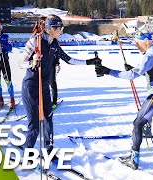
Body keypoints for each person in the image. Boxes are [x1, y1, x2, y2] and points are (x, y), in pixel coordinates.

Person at [20, 14, 101, 155]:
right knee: (34, 124)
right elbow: (21, 63)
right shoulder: (35, 41)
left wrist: (90, 61)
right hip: (31, 86)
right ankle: (28, 150)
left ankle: (48, 150)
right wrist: (32, 61)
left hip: (44, 86)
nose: (62, 31)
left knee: (48, 118)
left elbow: (69, 60)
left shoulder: (55, 44)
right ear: (52, 28)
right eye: (60, 28)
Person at [95, 32, 153, 170]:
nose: (136, 44)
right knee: (141, 120)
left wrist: (107, 71)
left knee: (137, 124)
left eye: (137, 42)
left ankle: (134, 160)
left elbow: (131, 76)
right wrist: (134, 68)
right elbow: (148, 69)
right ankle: (146, 128)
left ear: (146, 41)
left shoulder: (150, 55)